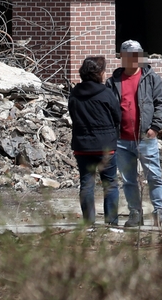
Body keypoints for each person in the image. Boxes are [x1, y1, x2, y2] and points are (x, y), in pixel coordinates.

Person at [106, 40, 162, 228]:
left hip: (145, 137)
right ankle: (135, 212)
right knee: (128, 180)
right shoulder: (113, 82)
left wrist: (155, 128)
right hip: (122, 140)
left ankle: (159, 213)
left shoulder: (151, 78)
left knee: (154, 176)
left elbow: (161, 103)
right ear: (122, 58)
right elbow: (108, 108)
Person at [68, 56, 121, 227]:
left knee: (86, 185)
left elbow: (72, 116)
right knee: (110, 184)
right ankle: (111, 224)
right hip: (106, 146)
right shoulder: (106, 93)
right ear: (99, 73)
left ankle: (89, 224)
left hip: (82, 146)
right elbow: (117, 117)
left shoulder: (75, 93)